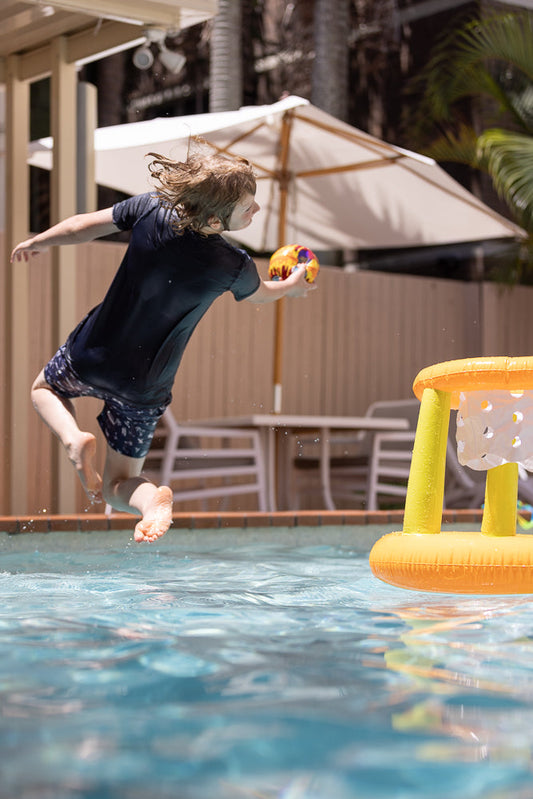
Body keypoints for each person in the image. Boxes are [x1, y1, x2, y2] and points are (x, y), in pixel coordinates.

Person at [10, 147, 314, 543]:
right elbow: (262, 294)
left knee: (45, 389)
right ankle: (151, 503)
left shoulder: (150, 208)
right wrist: (292, 285)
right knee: (119, 484)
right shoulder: (232, 265)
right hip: (145, 387)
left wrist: (42, 241)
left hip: (92, 355)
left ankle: (72, 438)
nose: (256, 209)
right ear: (214, 220)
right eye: (246, 207)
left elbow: (84, 225)